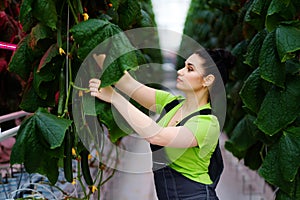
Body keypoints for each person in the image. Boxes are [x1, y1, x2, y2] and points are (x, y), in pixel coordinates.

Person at [89, 49, 235, 200]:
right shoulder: (171, 103)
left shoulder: (207, 123)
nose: (180, 71)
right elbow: (126, 83)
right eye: (184, 66)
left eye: (190, 69)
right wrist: (94, 49)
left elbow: (156, 136)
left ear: (207, 80)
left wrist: (115, 98)